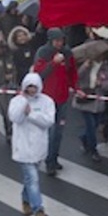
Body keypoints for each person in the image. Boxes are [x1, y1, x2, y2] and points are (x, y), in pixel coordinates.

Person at [8, 72, 55, 216]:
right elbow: (14, 118)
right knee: (33, 179)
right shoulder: (17, 101)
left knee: (30, 179)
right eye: (29, 87)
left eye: (34, 87)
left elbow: (48, 121)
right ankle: (38, 210)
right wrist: (23, 106)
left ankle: (25, 199)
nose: (32, 90)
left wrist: (32, 114)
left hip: (39, 147)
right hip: (23, 147)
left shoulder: (47, 101)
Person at [32, 27, 78, 176]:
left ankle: (54, 158)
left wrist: (75, 87)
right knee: (51, 131)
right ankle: (49, 162)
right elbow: (39, 74)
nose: (59, 43)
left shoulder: (67, 53)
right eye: (56, 41)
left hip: (62, 97)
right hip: (47, 98)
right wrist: (53, 63)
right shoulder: (43, 53)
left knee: (59, 131)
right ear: (50, 40)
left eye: (61, 40)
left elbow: (72, 72)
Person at [76, 51, 108, 162]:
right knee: (91, 125)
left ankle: (84, 137)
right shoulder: (85, 65)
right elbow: (76, 77)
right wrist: (84, 66)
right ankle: (93, 149)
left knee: (96, 123)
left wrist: (101, 84)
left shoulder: (104, 67)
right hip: (85, 99)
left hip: (98, 100)